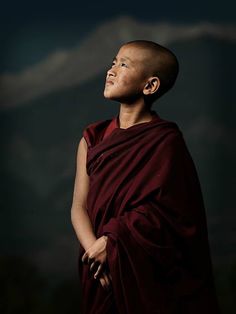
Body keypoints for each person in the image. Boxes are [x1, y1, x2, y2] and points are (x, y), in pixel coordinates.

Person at [71, 40, 220, 314]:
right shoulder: (92, 138)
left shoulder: (166, 141)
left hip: (143, 268)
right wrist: (96, 251)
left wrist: (115, 241)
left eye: (124, 65)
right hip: (97, 265)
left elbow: (176, 217)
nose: (112, 70)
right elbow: (79, 206)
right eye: (113, 62)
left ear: (150, 86)